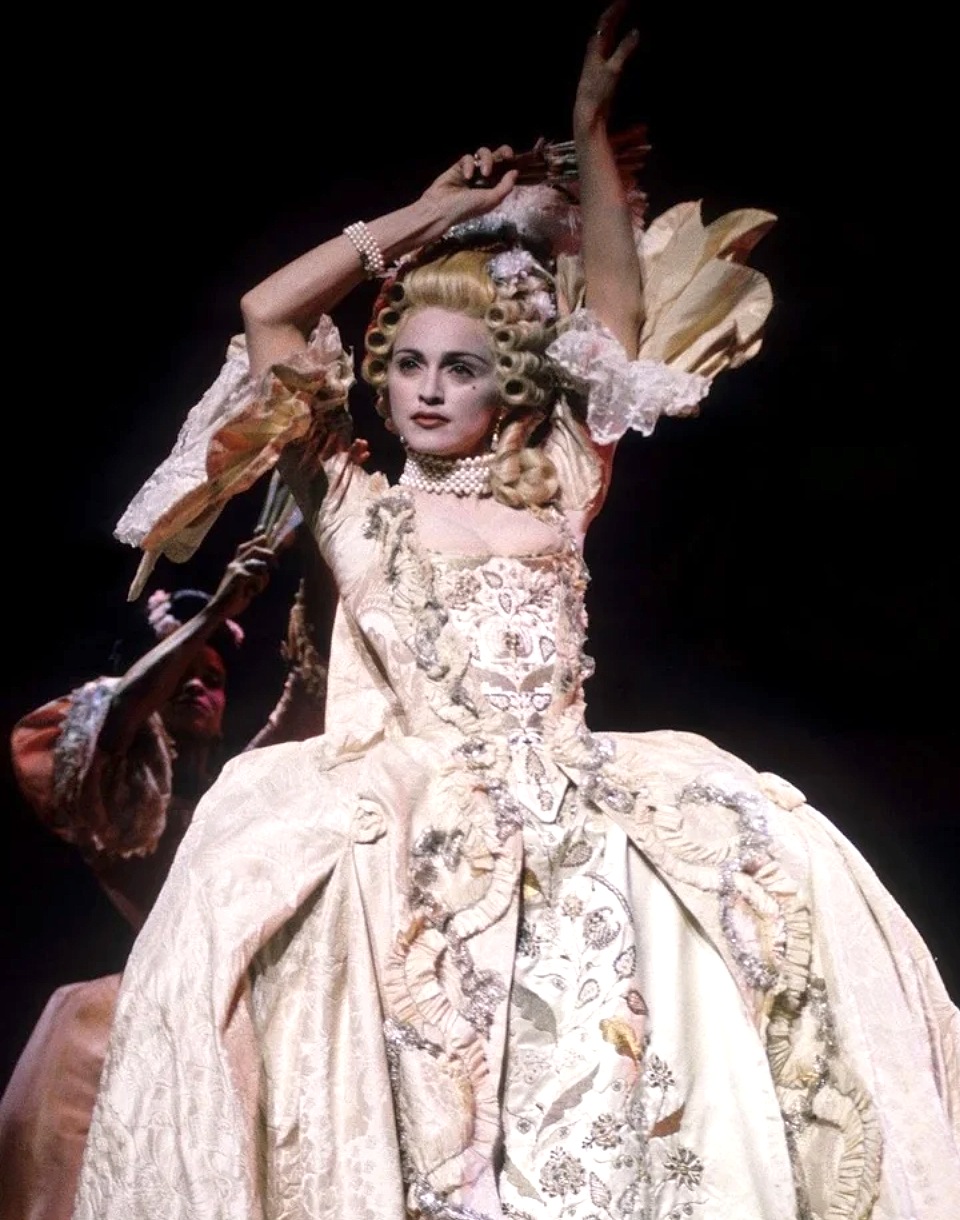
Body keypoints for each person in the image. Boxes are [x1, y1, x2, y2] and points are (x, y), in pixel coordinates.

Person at [71, 5, 959, 1217]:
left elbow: (614, 311)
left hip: (580, 806)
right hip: (425, 823)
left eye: (463, 367)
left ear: (508, 382)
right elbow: (269, 312)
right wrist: (427, 214)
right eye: (409, 366)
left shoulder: (561, 479)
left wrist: (589, 131)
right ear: (382, 378)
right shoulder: (354, 498)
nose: (430, 390)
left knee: (758, 929)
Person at [0, 528, 329, 1220]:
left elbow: (308, 696)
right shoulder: (119, 795)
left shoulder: (234, 794)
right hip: (123, 1017)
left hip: (224, 1011)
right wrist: (215, 611)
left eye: (214, 679)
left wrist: (321, 544)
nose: (199, 686)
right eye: (182, 675)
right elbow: (115, 718)